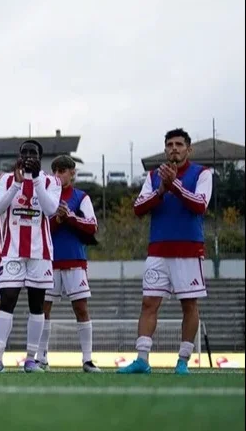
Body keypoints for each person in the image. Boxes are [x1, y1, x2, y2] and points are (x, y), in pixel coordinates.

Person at [119, 128, 212, 375]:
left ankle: (182, 361)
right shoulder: (152, 176)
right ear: (165, 148)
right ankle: (142, 359)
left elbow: (200, 205)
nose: (174, 148)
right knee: (149, 303)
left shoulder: (202, 173)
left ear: (188, 149)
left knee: (189, 305)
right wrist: (161, 189)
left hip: (189, 250)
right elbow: (138, 209)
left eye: (179, 144)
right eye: (170, 144)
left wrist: (175, 186)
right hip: (158, 250)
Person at [0, 139, 61, 373]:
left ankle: (31, 359)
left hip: (41, 254)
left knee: (37, 306)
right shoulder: (6, 179)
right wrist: (16, 186)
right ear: (19, 155)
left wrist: (36, 180)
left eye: (33, 153)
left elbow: (51, 210)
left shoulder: (50, 181)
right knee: (6, 301)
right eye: (25, 152)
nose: (29, 156)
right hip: (12, 252)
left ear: (40, 157)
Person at [37, 155, 100, 372]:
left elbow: (92, 226)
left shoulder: (81, 197)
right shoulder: (45, 197)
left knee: (81, 308)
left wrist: (70, 217)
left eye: (63, 171)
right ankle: (41, 357)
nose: (58, 175)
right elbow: (40, 228)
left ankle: (87, 359)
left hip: (74, 261)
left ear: (72, 173)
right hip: (49, 262)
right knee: (43, 309)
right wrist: (58, 220)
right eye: (55, 171)